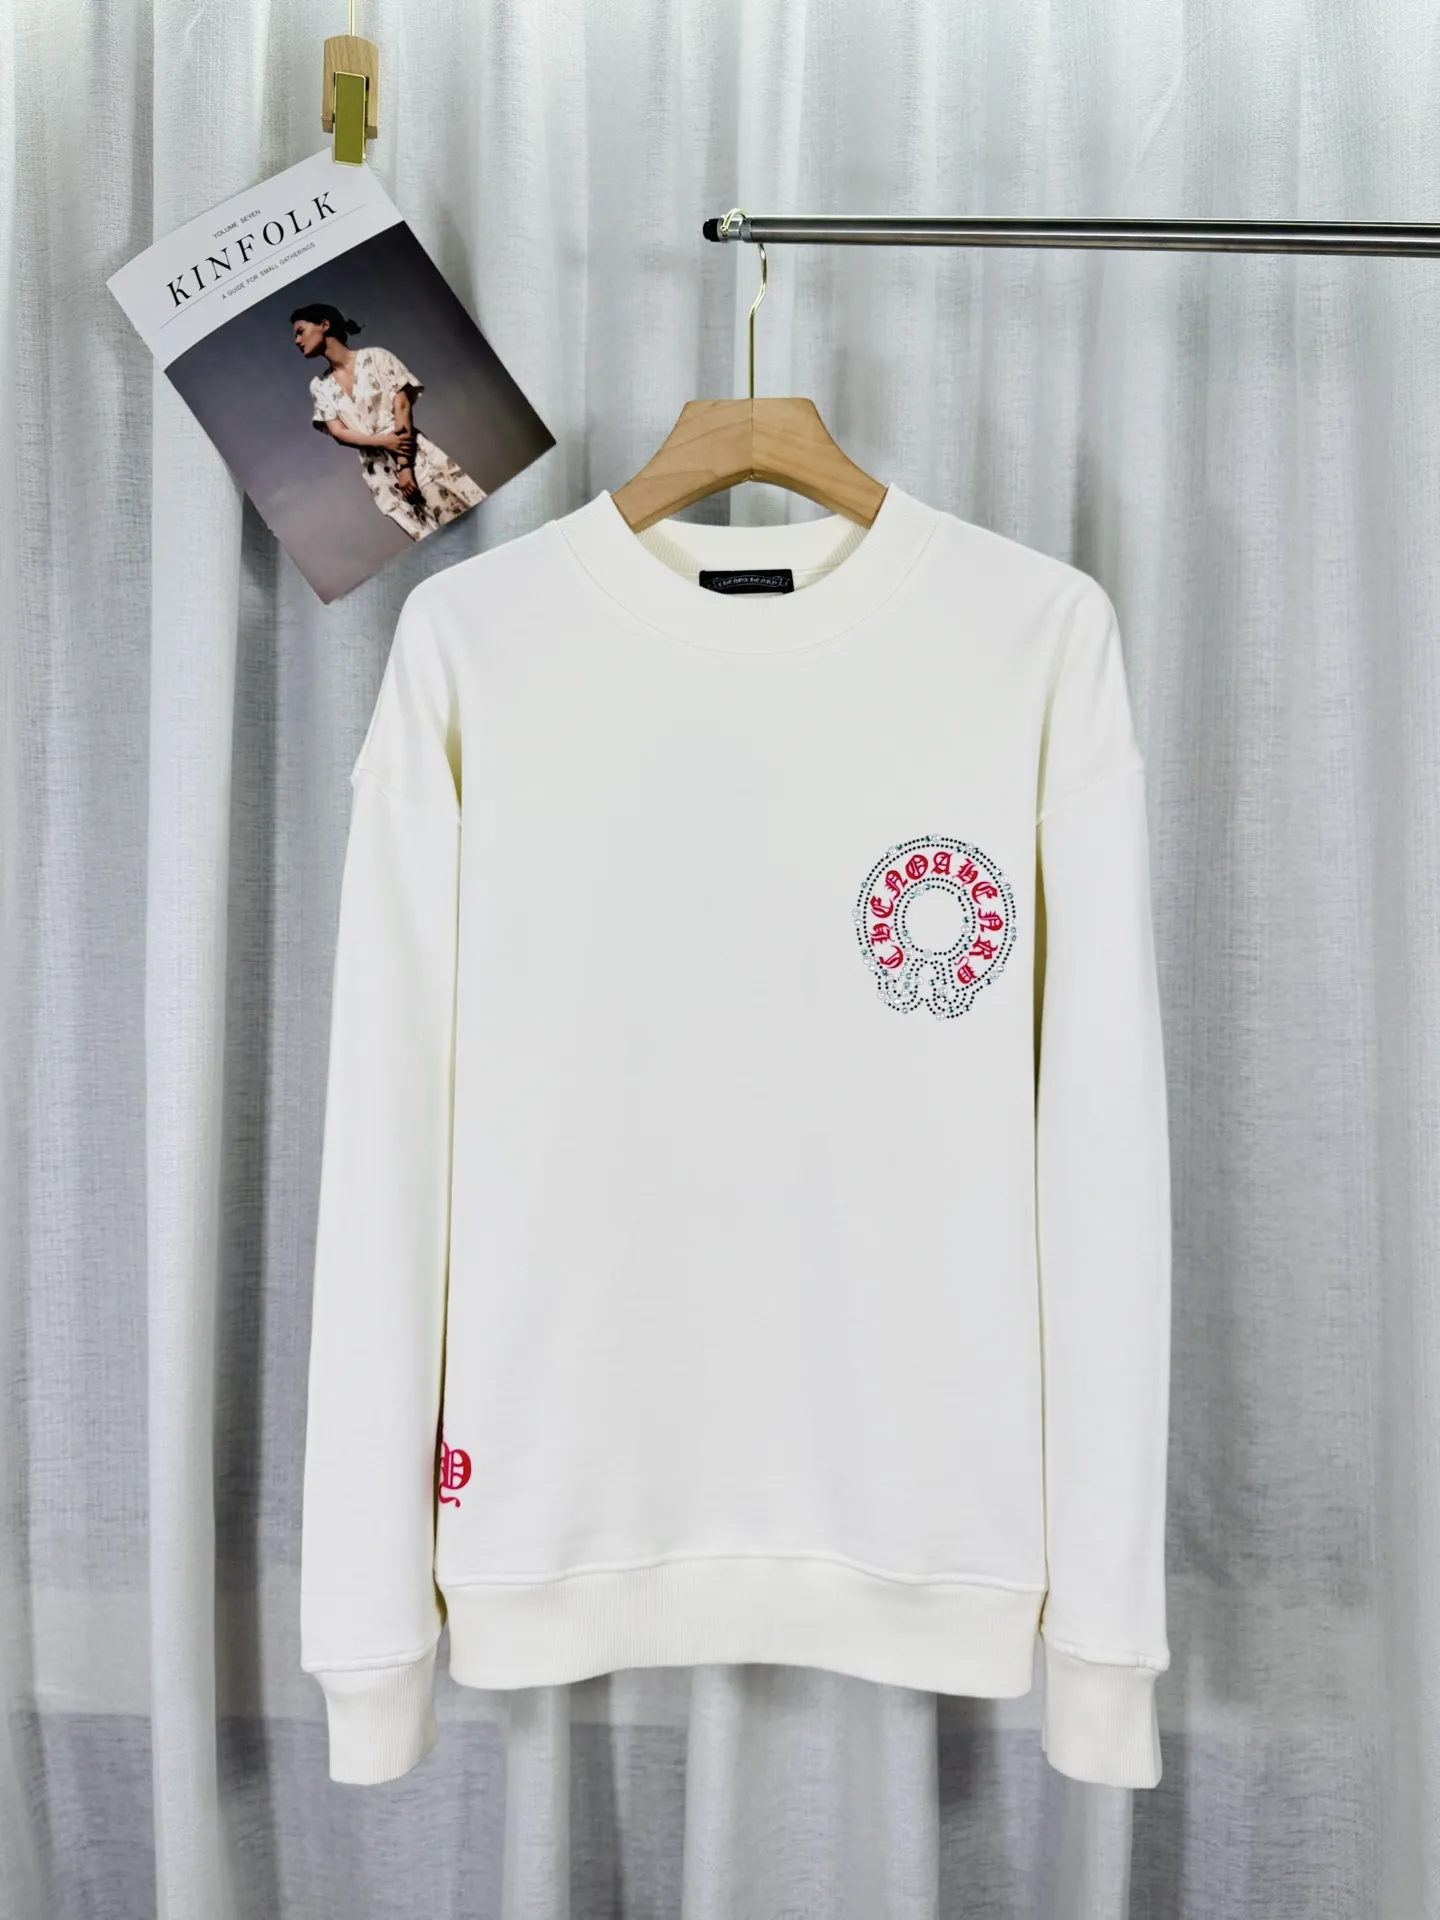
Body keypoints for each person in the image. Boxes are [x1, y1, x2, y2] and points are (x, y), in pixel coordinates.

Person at [291, 303, 485, 541]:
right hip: (381, 475)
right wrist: (384, 442)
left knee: (464, 525)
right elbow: (339, 433)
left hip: (414, 458)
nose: (296, 341)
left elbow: (401, 408)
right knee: (433, 541)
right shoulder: (319, 386)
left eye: (300, 332)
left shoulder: (377, 357)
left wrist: (405, 468)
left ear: (324, 325)